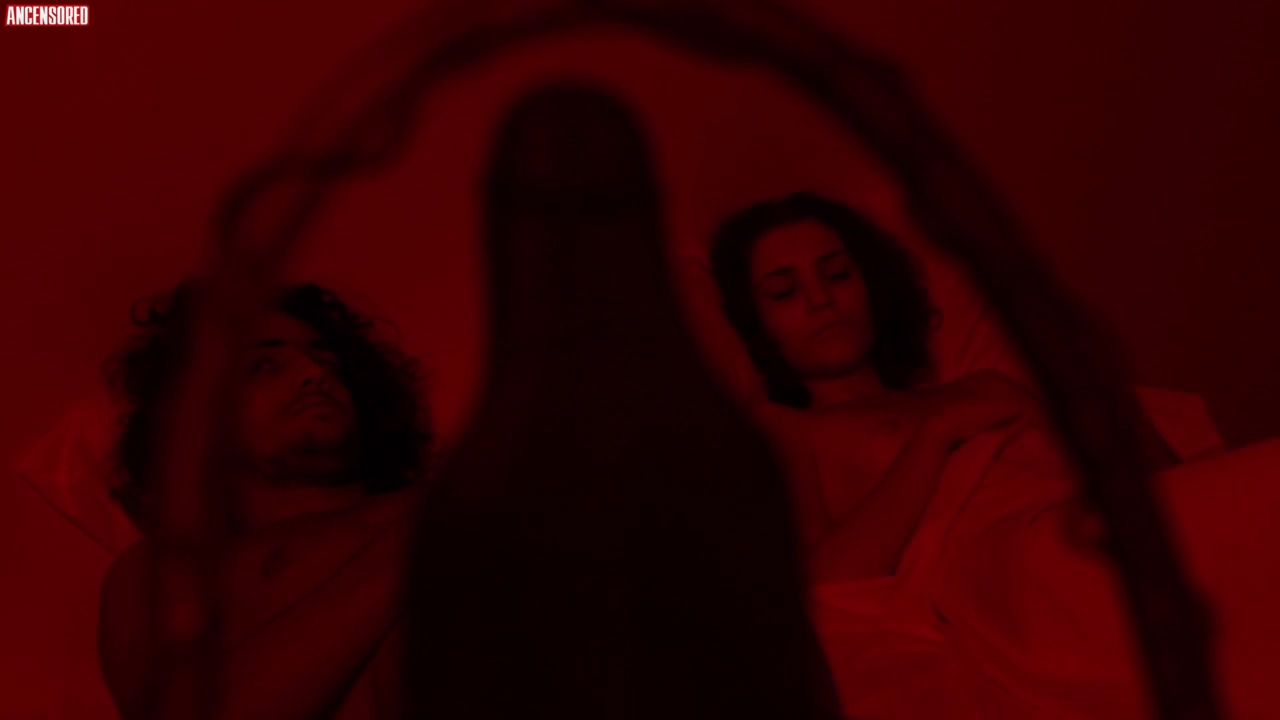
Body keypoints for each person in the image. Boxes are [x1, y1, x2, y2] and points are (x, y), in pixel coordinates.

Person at [97, 282, 429, 720]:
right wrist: (426, 531)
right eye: (264, 366)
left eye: (329, 363)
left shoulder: (451, 501)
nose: (315, 373)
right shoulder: (163, 568)